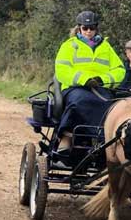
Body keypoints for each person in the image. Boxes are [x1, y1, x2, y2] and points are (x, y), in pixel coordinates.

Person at [54, 11, 126, 152]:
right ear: (79, 28)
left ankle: (104, 140)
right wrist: (84, 80)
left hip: (100, 88)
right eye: (85, 28)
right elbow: (62, 70)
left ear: (96, 28)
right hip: (75, 88)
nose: (88, 31)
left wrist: (102, 79)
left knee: (112, 106)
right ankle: (66, 136)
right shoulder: (69, 46)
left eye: (91, 28)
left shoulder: (106, 47)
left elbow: (119, 70)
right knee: (80, 101)